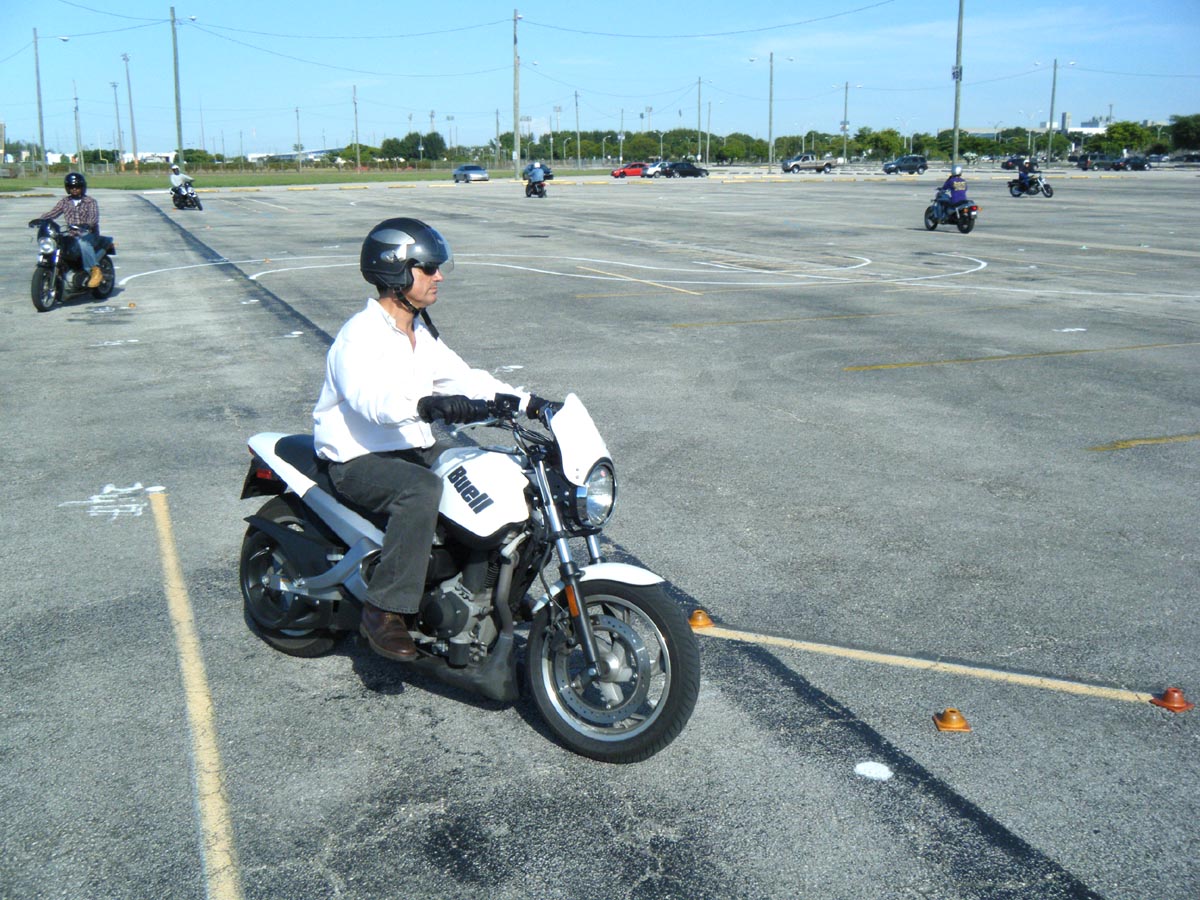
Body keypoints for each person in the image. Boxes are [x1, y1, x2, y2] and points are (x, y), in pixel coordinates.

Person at [313, 217, 559, 662]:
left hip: (414, 446)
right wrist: (428, 404)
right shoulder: (359, 336)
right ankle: (383, 608)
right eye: (428, 268)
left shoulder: (419, 333)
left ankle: (494, 588)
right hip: (358, 458)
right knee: (421, 490)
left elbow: (467, 379)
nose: (439, 276)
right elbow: (371, 401)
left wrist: (531, 403)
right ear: (395, 270)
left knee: (494, 476)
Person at [33, 172, 105, 288]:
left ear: (82, 187)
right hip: (71, 234)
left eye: (77, 187)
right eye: (71, 187)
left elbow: (93, 218)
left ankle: (94, 271)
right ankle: (57, 269)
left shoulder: (90, 201)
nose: (74, 189)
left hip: (89, 234)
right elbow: (53, 213)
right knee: (57, 242)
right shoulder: (65, 202)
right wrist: (41, 220)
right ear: (67, 188)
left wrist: (87, 225)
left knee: (83, 243)